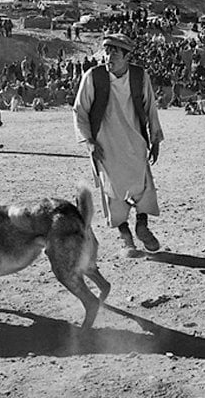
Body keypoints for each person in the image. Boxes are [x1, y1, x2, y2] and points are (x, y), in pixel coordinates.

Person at [73, 33, 164, 257]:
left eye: (114, 51)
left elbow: (150, 106)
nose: (108, 56)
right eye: (106, 50)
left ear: (126, 55)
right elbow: (80, 110)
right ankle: (126, 238)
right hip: (105, 144)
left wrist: (155, 137)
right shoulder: (93, 76)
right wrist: (89, 142)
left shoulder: (139, 76)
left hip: (135, 141)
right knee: (112, 191)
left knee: (143, 186)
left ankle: (142, 226)